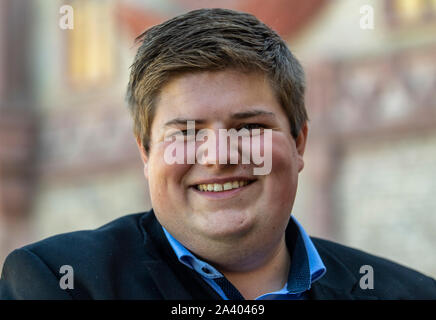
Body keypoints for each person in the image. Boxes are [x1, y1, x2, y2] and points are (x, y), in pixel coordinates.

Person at [1, 8, 435, 300]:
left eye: (249, 127)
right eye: (186, 132)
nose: (220, 155)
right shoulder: (57, 282)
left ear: (299, 142)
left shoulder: (409, 294)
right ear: (146, 152)